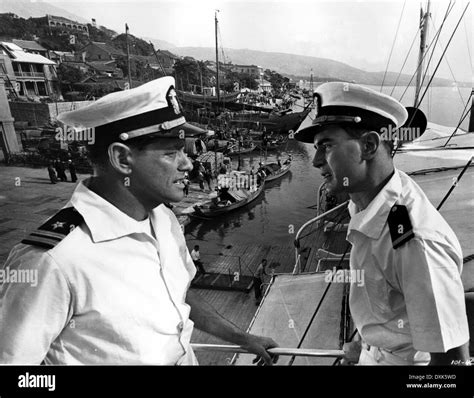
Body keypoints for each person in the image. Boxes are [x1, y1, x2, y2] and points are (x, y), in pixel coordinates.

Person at [0, 76, 278, 365]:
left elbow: (178, 297)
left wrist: (243, 338)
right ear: (122, 159)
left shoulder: (164, 219)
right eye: (172, 152)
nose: (188, 163)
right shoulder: (53, 259)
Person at [295, 82, 469, 366]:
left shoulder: (415, 241)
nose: (315, 161)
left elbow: (452, 365)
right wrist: (367, 345)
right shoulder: (368, 203)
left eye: (326, 146)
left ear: (369, 145)